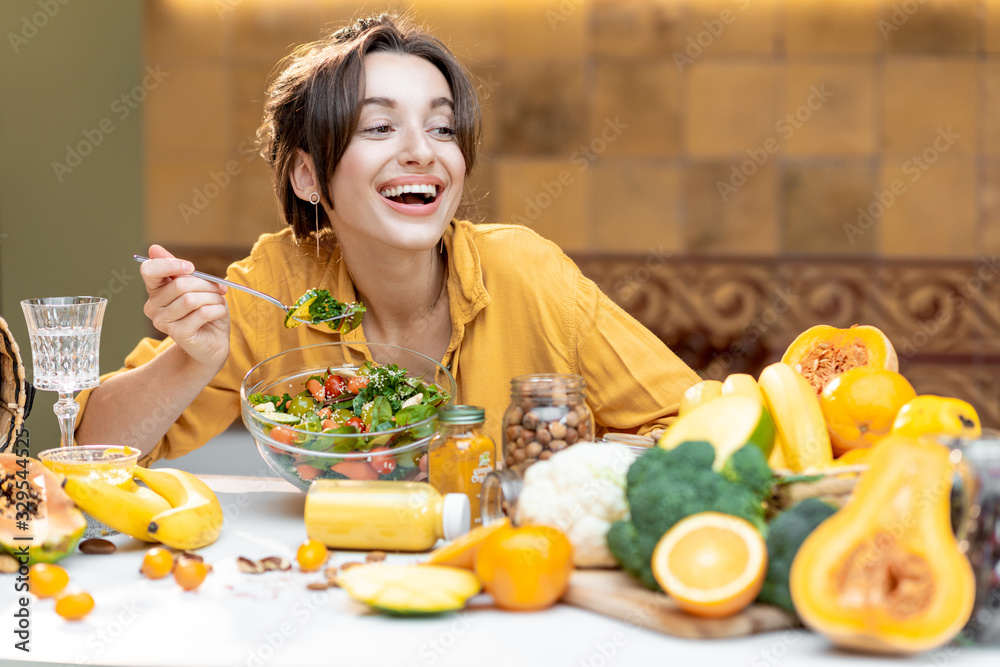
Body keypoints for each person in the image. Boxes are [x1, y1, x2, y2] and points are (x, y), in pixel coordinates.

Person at [75, 14, 700, 467]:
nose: (422, 151)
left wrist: (570, 474)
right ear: (308, 175)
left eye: (442, 127)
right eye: (379, 125)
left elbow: (696, 422)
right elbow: (89, 452)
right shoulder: (276, 286)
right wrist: (193, 357)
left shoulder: (527, 273)